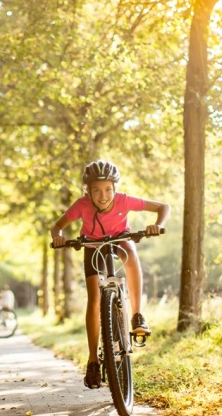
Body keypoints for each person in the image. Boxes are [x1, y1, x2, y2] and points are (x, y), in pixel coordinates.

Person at [49, 160, 169, 389]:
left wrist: (158, 224)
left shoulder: (124, 200)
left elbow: (163, 207)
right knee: (94, 299)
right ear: (88, 191)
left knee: (131, 255)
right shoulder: (81, 205)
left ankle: (137, 316)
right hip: (92, 246)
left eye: (107, 190)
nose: (103, 196)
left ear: (115, 188)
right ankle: (93, 359)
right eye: (96, 190)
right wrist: (59, 237)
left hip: (119, 239)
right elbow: (57, 226)